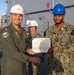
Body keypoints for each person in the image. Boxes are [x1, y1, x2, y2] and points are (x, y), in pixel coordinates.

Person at [0, 4, 41, 75]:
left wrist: (28, 50)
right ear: (11, 16)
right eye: (15, 15)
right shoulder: (7, 32)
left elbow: (22, 46)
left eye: (20, 15)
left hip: (22, 68)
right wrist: (31, 59)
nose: (17, 18)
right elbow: (13, 51)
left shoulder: (23, 31)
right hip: (10, 69)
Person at [45, 4, 74, 75]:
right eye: (55, 15)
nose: (56, 18)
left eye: (59, 15)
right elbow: (45, 46)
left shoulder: (71, 30)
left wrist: (56, 49)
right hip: (52, 69)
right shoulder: (48, 31)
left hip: (66, 69)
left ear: (64, 15)